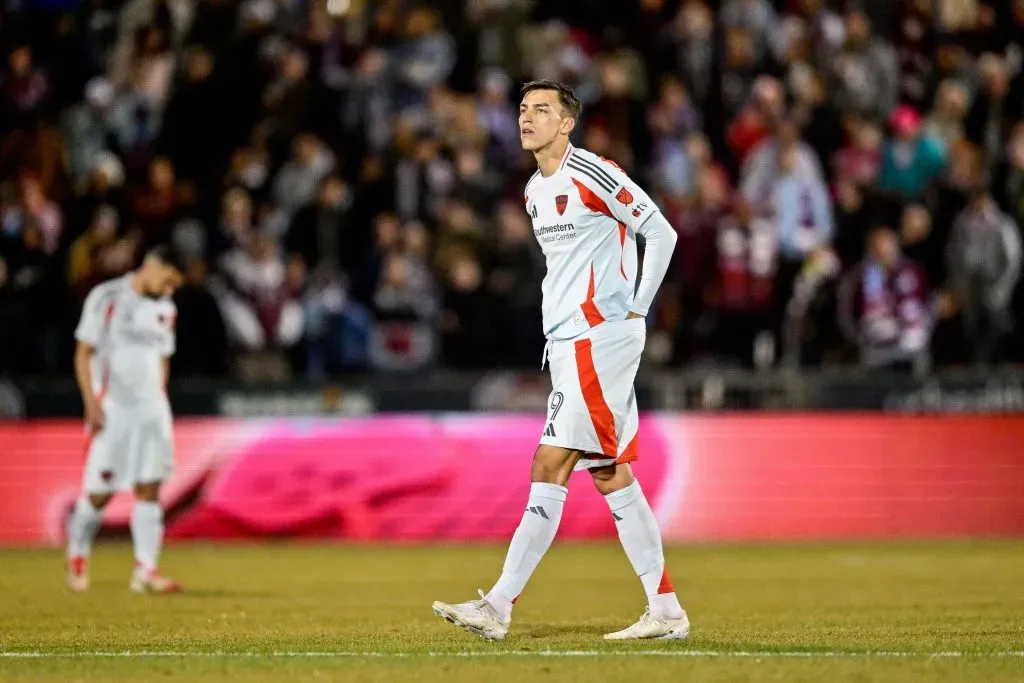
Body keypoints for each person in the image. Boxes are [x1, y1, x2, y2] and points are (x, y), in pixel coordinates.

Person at [431, 80, 685, 641]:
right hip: (570, 343)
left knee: (550, 464)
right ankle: (666, 610)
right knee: (611, 473)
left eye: (542, 110)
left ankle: (497, 606)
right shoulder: (533, 191)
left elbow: (660, 232)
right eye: (523, 109)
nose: (528, 118)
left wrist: (637, 308)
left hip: (599, 337)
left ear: (567, 123)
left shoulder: (593, 172)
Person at [65, 245, 185, 594]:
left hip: (152, 412)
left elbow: (163, 357)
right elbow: (83, 353)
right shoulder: (107, 297)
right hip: (114, 409)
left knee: (150, 489)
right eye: (167, 280)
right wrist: (91, 402)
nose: (169, 289)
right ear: (152, 265)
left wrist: (159, 396)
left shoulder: (166, 308)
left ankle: (145, 571)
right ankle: (77, 553)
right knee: (99, 494)